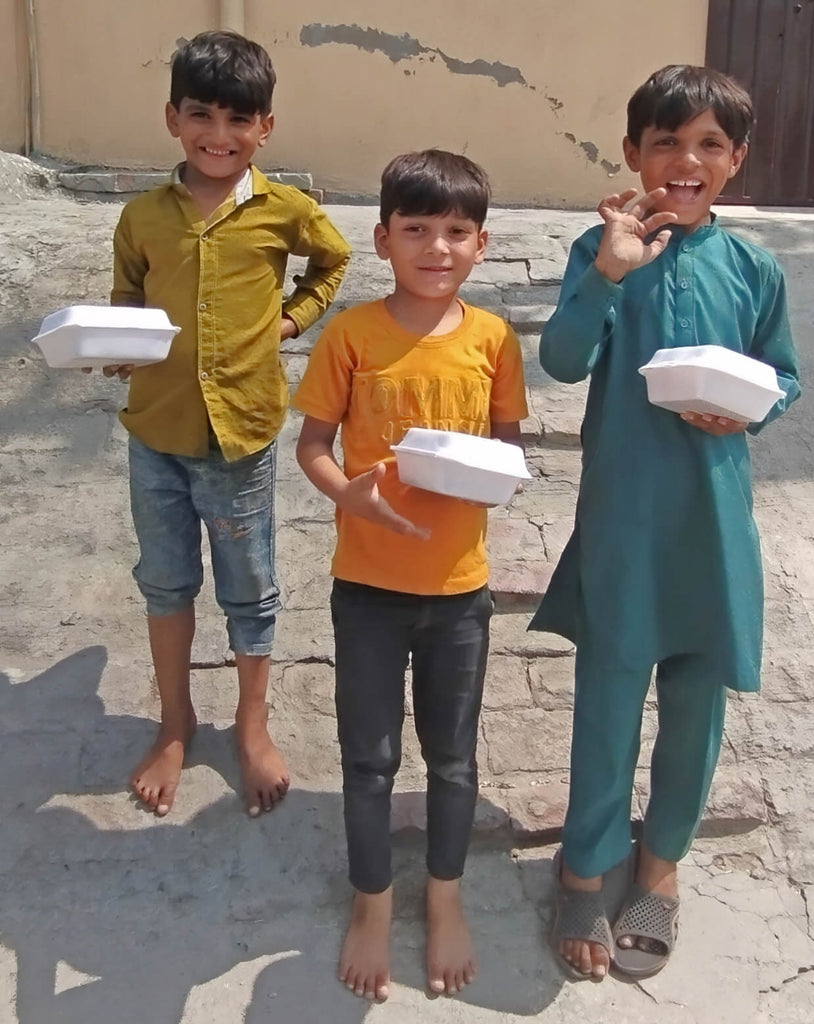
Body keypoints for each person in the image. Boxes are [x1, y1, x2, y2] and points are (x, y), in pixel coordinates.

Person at [529, 64, 801, 981]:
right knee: (608, 700)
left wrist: (752, 409)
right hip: (625, 518)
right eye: (667, 143)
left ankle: (661, 862)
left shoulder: (755, 268)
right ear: (634, 155)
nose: (687, 161)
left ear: (738, 160)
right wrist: (608, 270)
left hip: (715, 521)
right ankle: (584, 863)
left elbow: (786, 377)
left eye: (709, 145)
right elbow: (564, 362)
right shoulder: (603, 249)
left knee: (694, 705)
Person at [292, 149, 528, 1001]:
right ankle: (371, 902)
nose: (438, 247)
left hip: (460, 592)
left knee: (453, 760)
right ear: (384, 238)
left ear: (482, 244)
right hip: (367, 591)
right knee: (369, 760)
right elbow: (312, 445)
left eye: (457, 232)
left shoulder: (495, 339)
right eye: (418, 230)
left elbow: (508, 448)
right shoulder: (353, 335)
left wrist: (490, 472)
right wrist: (348, 495)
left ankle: (446, 897)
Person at [99, 30, 350, 818]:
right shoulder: (142, 217)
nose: (219, 135)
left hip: (240, 436)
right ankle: (176, 722)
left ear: (265, 127)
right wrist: (116, 341)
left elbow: (333, 262)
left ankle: (251, 722)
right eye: (201, 115)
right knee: (165, 579)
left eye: (238, 119)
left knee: (249, 588)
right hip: (157, 432)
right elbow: (126, 295)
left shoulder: (287, 211)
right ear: (173, 117)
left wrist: (290, 322)